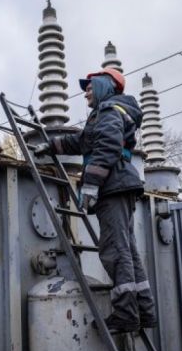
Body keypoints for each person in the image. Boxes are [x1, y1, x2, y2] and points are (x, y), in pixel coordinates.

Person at [34, 68, 157, 333]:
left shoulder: (109, 111)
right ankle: (144, 310)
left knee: (114, 250)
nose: (86, 93)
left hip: (113, 185)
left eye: (90, 87)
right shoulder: (108, 113)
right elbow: (82, 141)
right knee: (127, 250)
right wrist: (52, 146)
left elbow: (107, 147)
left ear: (104, 85)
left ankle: (126, 314)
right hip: (121, 184)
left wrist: (90, 185)